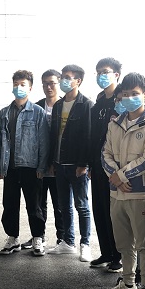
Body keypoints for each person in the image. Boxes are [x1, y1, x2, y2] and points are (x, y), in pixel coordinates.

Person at [101, 72, 145, 289]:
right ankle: (128, 284)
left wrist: (122, 176)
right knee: (123, 242)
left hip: (140, 193)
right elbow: (105, 153)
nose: (129, 98)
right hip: (117, 192)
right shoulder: (115, 122)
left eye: (134, 94)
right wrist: (115, 177)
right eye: (125, 94)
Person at [0, 69, 50, 256]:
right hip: (9, 167)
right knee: (9, 205)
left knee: (34, 205)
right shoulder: (4, 113)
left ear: (30, 88)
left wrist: (42, 166)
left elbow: (44, 141)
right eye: (16, 84)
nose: (19, 88)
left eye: (23, 84)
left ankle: (38, 237)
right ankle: (13, 238)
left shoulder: (38, 112)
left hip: (31, 167)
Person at [48, 64, 94, 261]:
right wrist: (52, 161)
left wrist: (84, 163)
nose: (64, 81)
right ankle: (68, 242)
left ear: (78, 81)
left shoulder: (86, 105)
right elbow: (53, 135)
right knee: (63, 205)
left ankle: (85, 244)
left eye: (68, 77)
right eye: (63, 77)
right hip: (60, 164)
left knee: (81, 205)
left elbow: (88, 136)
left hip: (77, 165)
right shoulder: (58, 105)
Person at [89, 59, 123, 272]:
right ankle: (106, 252)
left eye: (106, 72)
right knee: (100, 209)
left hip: (116, 165)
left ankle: (119, 255)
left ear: (116, 74)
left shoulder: (122, 99)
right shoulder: (100, 100)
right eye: (98, 72)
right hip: (97, 163)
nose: (101, 76)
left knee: (115, 212)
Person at [33, 69, 65, 249]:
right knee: (39, 203)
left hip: (58, 164)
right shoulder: (37, 107)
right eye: (45, 83)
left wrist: (54, 161)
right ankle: (40, 236)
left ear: (58, 83)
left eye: (52, 83)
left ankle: (62, 238)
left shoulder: (64, 106)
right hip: (39, 164)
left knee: (59, 204)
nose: (48, 87)